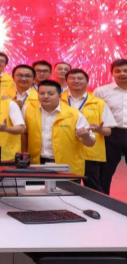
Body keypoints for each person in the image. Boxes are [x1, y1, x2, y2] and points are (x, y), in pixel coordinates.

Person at [25, 80, 95, 176]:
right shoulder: (28, 110)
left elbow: (91, 143)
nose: (45, 96)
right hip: (36, 164)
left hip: (65, 165)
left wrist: (85, 136)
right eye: (42, 93)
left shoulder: (74, 114)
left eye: (50, 94)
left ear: (60, 96)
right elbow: (23, 134)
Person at [64, 69, 115, 193]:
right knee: (65, 187)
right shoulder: (59, 100)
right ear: (67, 81)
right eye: (72, 78)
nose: (76, 81)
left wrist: (100, 130)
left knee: (93, 189)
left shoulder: (99, 103)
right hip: (65, 151)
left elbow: (108, 131)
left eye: (80, 78)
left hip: (90, 153)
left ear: (87, 82)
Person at [93, 59, 127, 195]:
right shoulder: (101, 91)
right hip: (110, 134)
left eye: (125, 71)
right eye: (118, 71)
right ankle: (102, 201)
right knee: (105, 172)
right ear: (112, 73)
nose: (122, 74)